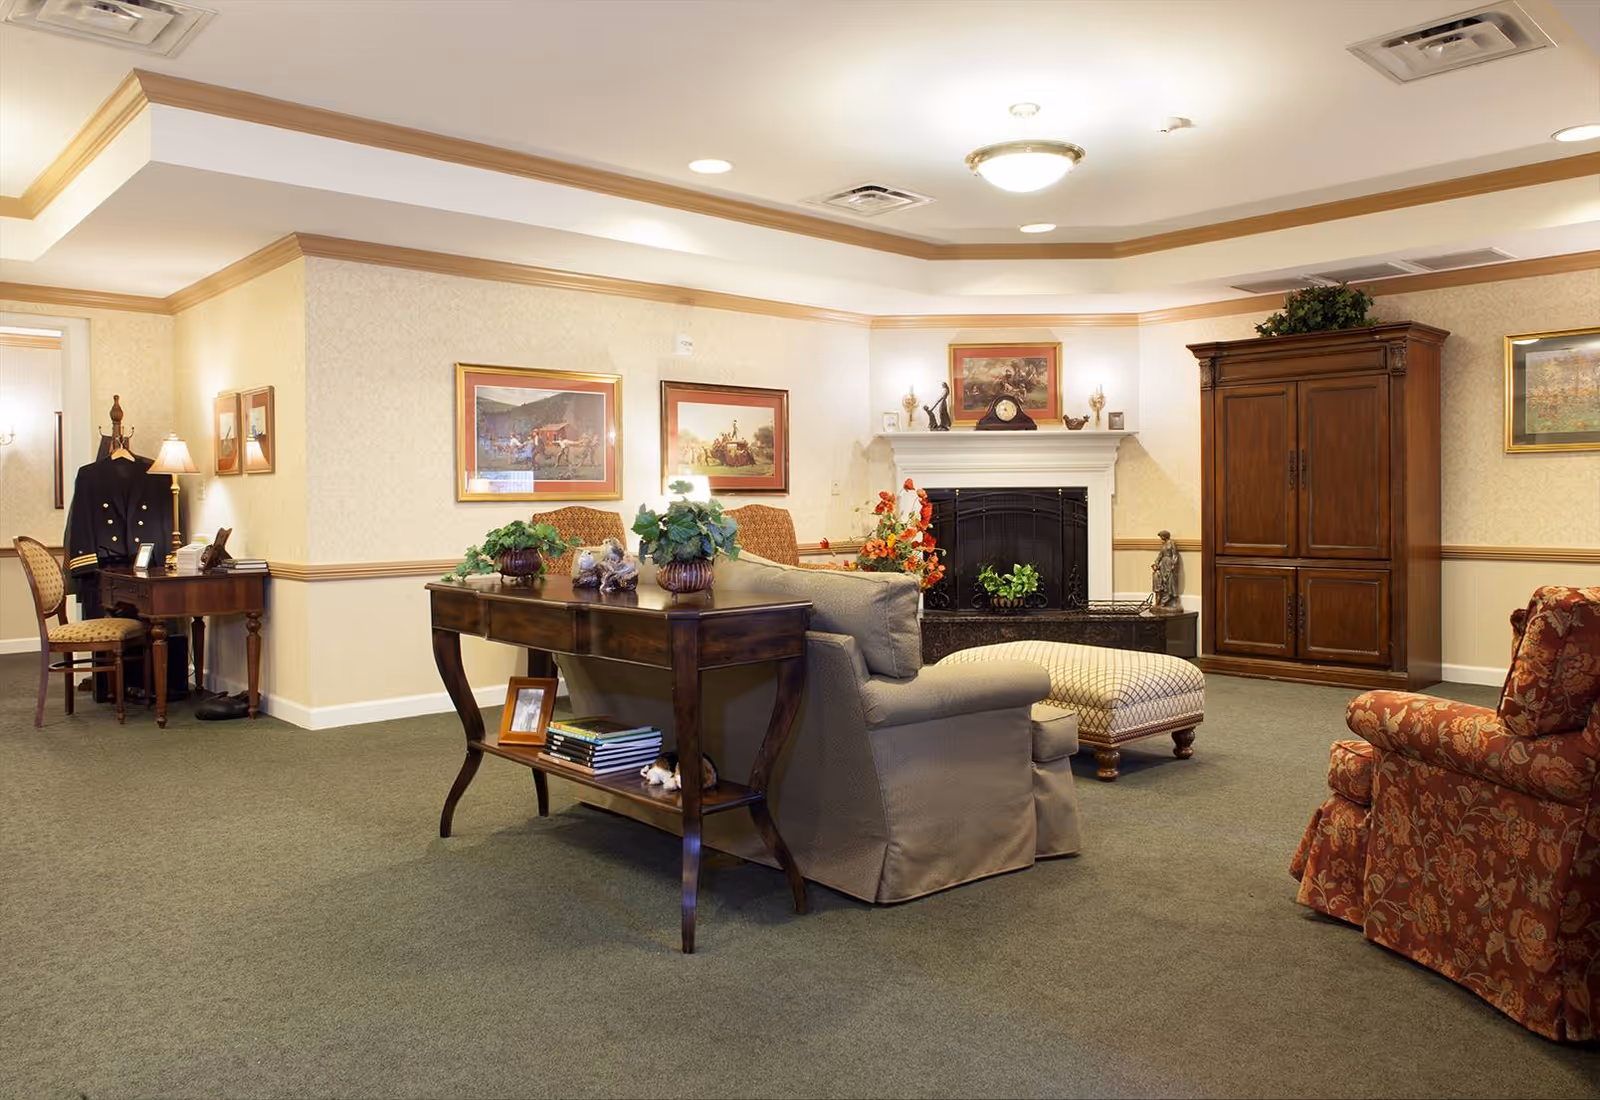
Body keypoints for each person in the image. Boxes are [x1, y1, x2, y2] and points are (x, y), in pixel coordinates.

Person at [1152, 529, 1180, 609]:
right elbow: (1160, 555)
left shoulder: (1172, 543)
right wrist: (1156, 562)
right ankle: (1163, 601)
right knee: (1163, 582)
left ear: (1165, 535)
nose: (1161, 538)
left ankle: (1175, 601)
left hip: (1169, 563)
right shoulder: (1163, 545)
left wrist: (1173, 564)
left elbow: (1175, 554)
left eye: (1161, 536)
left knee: (1171, 582)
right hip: (1163, 565)